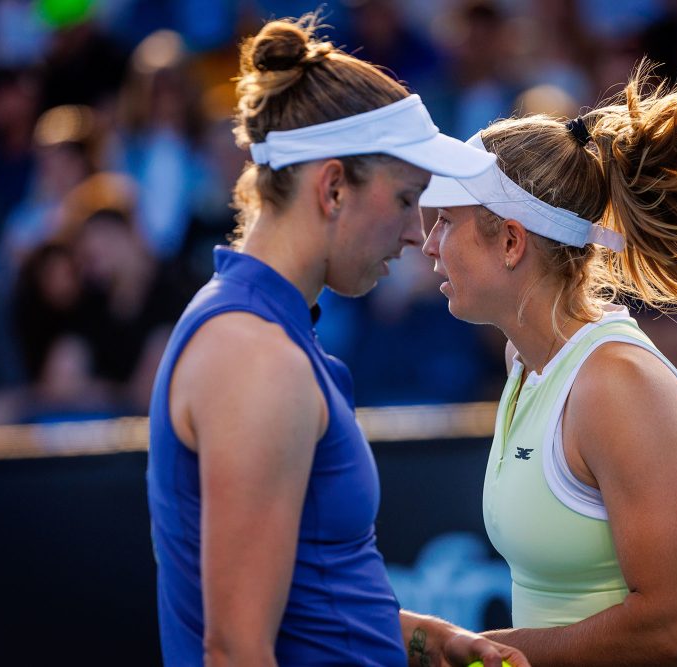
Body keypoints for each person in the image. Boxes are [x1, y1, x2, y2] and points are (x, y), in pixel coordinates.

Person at [146, 14, 530, 667]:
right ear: (331, 187)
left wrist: (414, 634)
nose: (417, 233)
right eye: (407, 199)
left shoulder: (261, 338)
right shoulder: (255, 357)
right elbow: (237, 649)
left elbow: (303, 593)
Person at [419, 63, 677, 665]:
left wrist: (474, 651)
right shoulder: (528, 359)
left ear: (512, 242)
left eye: (445, 221)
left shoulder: (615, 386)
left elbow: (673, 635)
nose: (429, 244)